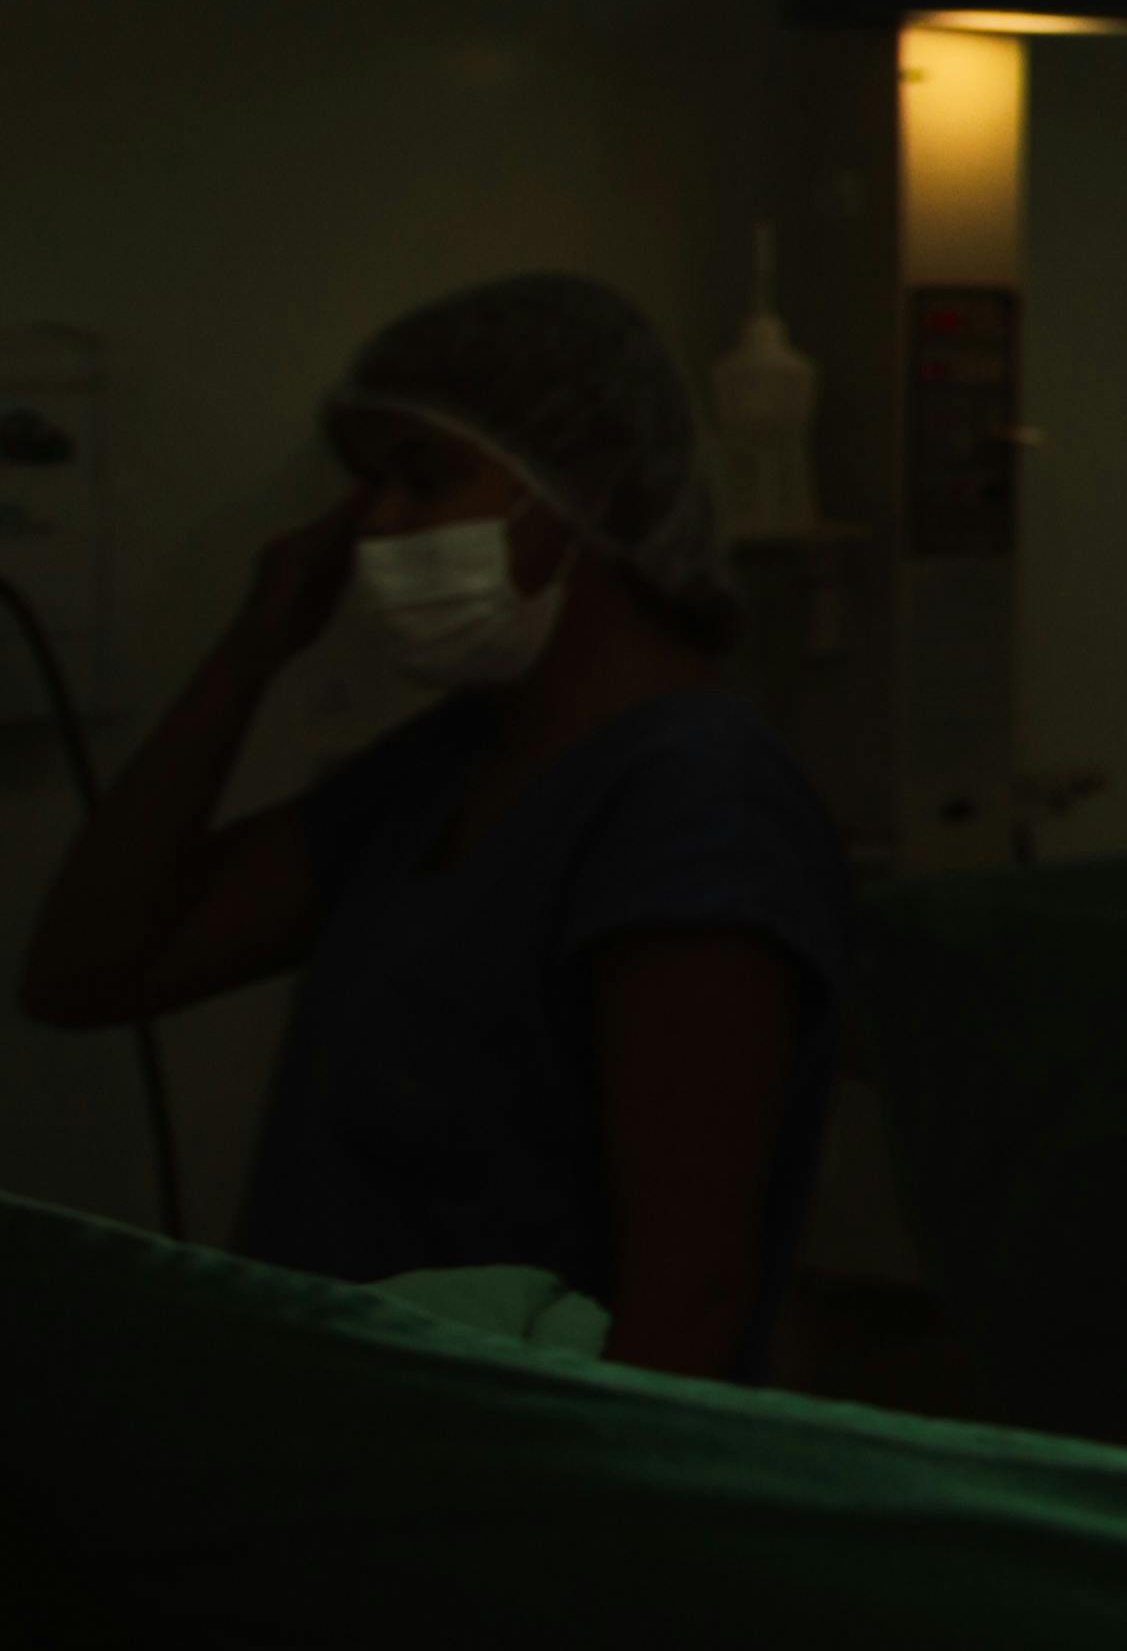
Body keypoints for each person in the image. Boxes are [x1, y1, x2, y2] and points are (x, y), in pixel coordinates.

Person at [21, 275, 852, 1381]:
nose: (379, 526)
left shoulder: (694, 800)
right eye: (368, 487)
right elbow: (89, 969)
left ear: (586, 476)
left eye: (425, 476)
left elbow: (686, 1300)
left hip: (522, 1498)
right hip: (366, 1467)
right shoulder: (448, 766)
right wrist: (253, 644)